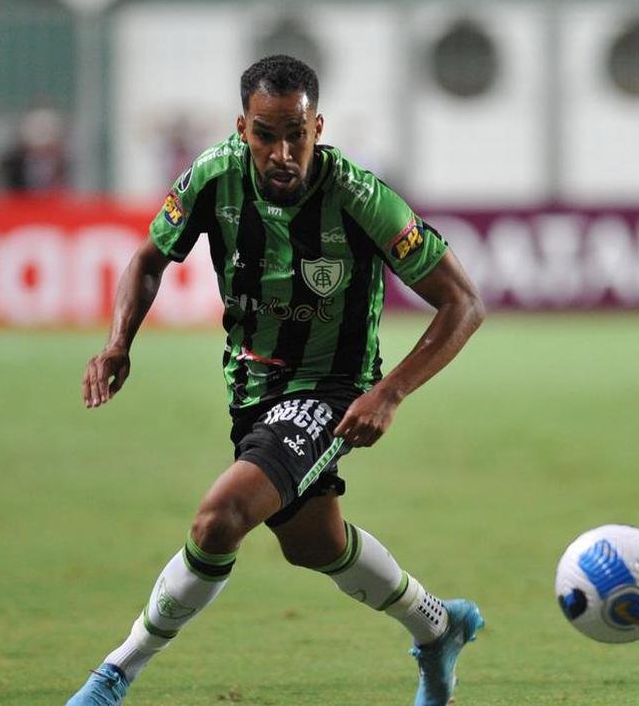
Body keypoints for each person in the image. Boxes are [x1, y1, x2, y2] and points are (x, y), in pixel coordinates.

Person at [66, 55, 486, 706]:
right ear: (243, 128)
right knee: (314, 545)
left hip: (332, 390)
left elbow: (463, 302)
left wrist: (389, 391)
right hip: (252, 392)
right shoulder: (214, 178)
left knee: (220, 520)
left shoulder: (359, 197)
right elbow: (149, 257)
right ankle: (438, 626)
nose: (282, 151)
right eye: (266, 134)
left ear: (318, 126)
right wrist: (119, 341)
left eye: (297, 133)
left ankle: (114, 676)